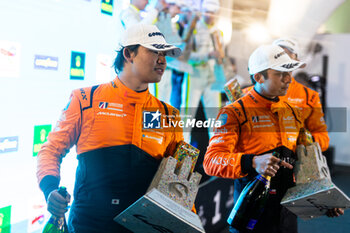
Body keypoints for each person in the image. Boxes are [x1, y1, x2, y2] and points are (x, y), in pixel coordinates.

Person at [36, 24, 183, 233]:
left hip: (142, 228)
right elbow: (51, 150)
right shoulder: (86, 99)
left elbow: (179, 179)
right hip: (88, 225)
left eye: (164, 53)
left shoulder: (169, 115)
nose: (162, 60)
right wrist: (50, 189)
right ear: (128, 53)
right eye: (154, 51)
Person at [203, 44, 343, 233]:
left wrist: (324, 199)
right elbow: (211, 162)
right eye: (280, 73)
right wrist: (251, 161)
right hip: (251, 211)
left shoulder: (293, 111)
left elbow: (307, 162)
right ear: (259, 77)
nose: (289, 79)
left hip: (287, 212)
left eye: (289, 72)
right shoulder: (234, 112)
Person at [243, 38, 329, 151]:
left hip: (294, 163)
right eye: (277, 53)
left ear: (295, 62)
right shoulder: (243, 97)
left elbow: (323, 138)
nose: (283, 58)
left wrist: (302, 141)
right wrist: (251, 161)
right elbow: (221, 154)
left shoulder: (309, 96)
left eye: (287, 55)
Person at [184, 0, 223, 142]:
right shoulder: (193, 28)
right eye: (207, 12)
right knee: (187, 118)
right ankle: (180, 158)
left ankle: (215, 157)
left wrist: (220, 58)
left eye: (213, 13)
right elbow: (186, 56)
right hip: (194, 76)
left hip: (211, 78)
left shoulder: (218, 32)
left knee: (214, 120)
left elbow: (220, 57)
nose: (210, 16)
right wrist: (207, 56)